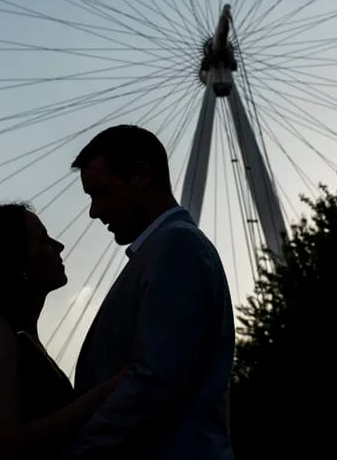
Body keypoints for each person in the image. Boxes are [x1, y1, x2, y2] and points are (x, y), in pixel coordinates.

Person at [64, 125, 236, 459]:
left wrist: (78, 451)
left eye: (100, 192)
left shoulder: (176, 247)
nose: (94, 211)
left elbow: (154, 381)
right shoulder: (165, 250)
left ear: (142, 175)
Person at [0, 203, 123, 460]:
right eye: (43, 240)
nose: (59, 246)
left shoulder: (15, 336)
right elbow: (7, 446)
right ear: (17, 261)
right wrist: (103, 394)